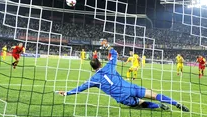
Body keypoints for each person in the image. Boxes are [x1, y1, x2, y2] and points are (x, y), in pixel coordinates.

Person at [58, 48, 189, 112]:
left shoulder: (93, 79)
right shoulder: (109, 65)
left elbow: (80, 88)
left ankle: (158, 106)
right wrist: (108, 47)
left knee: (140, 103)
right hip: (129, 87)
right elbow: (115, 54)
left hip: (122, 97)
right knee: (153, 94)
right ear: (100, 63)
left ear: (93, 69)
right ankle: (175, 103)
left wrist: (67, 93)